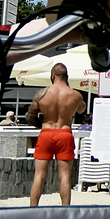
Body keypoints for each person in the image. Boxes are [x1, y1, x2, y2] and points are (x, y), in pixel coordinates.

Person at [29, 63, 85, 207]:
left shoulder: (42, 94)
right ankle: (65, 209)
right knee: (65, 176)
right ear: (67, 77)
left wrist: (40, 125)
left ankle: (32, 209)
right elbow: (81, 110)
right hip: (65, 133)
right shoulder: (75, 95)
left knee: (39, 175)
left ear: (52, 75)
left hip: (46, 132)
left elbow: (30, 116)